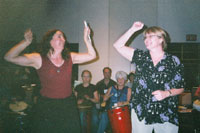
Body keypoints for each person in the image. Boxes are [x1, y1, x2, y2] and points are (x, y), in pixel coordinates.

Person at [4, 24, 96, 133]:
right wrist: (25, 42)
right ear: (50, 41)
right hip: (47, 106)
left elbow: (92, 55)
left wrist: (87, 38)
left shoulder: (70, 57)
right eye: (59, 36)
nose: (63, 38)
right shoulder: (38, 58)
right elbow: (9, 57)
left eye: (63, 37)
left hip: (67, 105)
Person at [113, 21, 185, 133]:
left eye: (151, 36)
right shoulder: (141, 57)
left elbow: (181, 87)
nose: (146, 39)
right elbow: (117, 45)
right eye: (145, 37)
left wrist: (166, 93)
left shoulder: (173, 61)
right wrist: (132, 29)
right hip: (141, 110)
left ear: (161, 39)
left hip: (166, 111)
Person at [96, 67, 116, 133]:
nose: (107, 74)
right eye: (105, 72)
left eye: (108, 73)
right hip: (101, 105)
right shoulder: (98, 84)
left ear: (110, 74)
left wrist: (108, 96)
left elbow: (116, 96)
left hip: (111, 106)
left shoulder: (114, 84)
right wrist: (103, 96)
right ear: (103, 74)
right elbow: (97, 96)